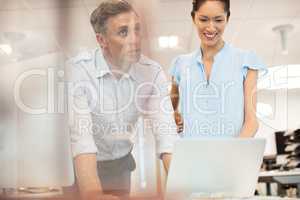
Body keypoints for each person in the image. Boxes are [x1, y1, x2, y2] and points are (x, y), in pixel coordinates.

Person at [66, 0, 178, 199]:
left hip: (120, 164)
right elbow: (81, 140)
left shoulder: (152, 73)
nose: (134, 39)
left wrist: (186, 186)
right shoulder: (79, 71)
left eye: (137, 29)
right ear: (102, 40)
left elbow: (166, 134)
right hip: (82, 166)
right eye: (123, 32)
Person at [170, 0, 267, 138]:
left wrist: (231, 154)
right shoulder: (180, 63)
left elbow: (251, 122)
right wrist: (173, 116)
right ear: (193, 18)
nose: (211, 28)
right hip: (192, 154)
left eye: (218, 20)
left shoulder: (247, 61)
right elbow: (169, 109)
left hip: (233, 155)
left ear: (227, 18)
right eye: (203, 19)